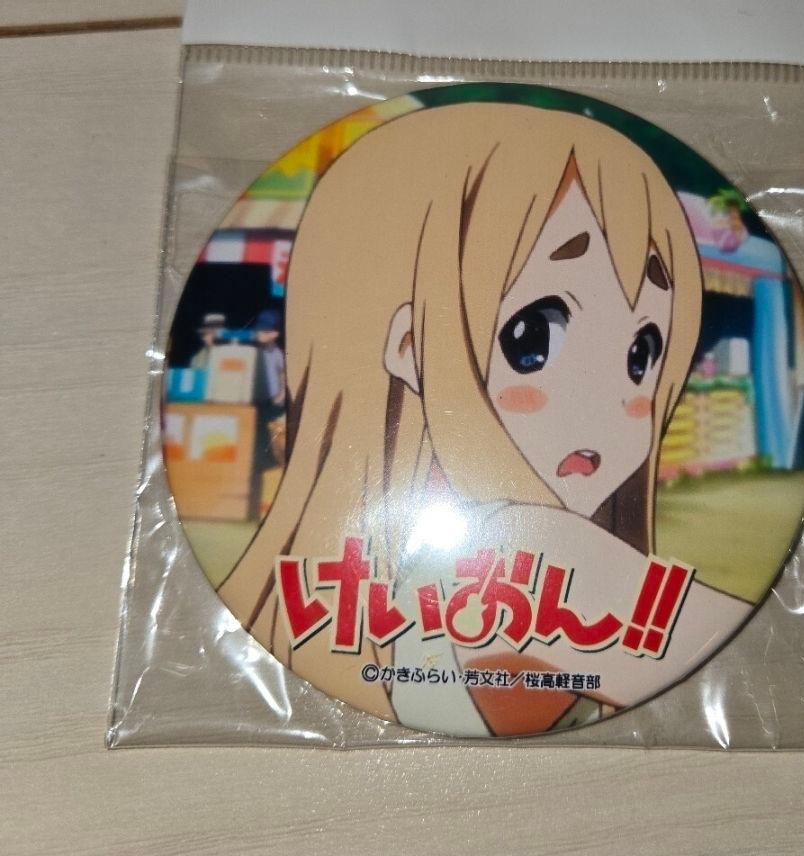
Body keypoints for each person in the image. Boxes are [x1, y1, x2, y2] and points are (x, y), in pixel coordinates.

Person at [219, 100, 751, 735]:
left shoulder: (326, 594)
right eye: (533, 339)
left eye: (642, 355)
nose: (608, 405)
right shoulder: (524, 545)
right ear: (410, 347)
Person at [249, 308, 286, 516]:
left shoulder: (277, 353)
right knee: (255, 453)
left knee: (272, 452)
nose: (262, 335)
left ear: (275, 333)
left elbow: (282, 374)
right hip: (255, 406)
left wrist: (281, 395)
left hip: (273, 407)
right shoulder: (252, 352)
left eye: (266, 331)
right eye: (260, 331)